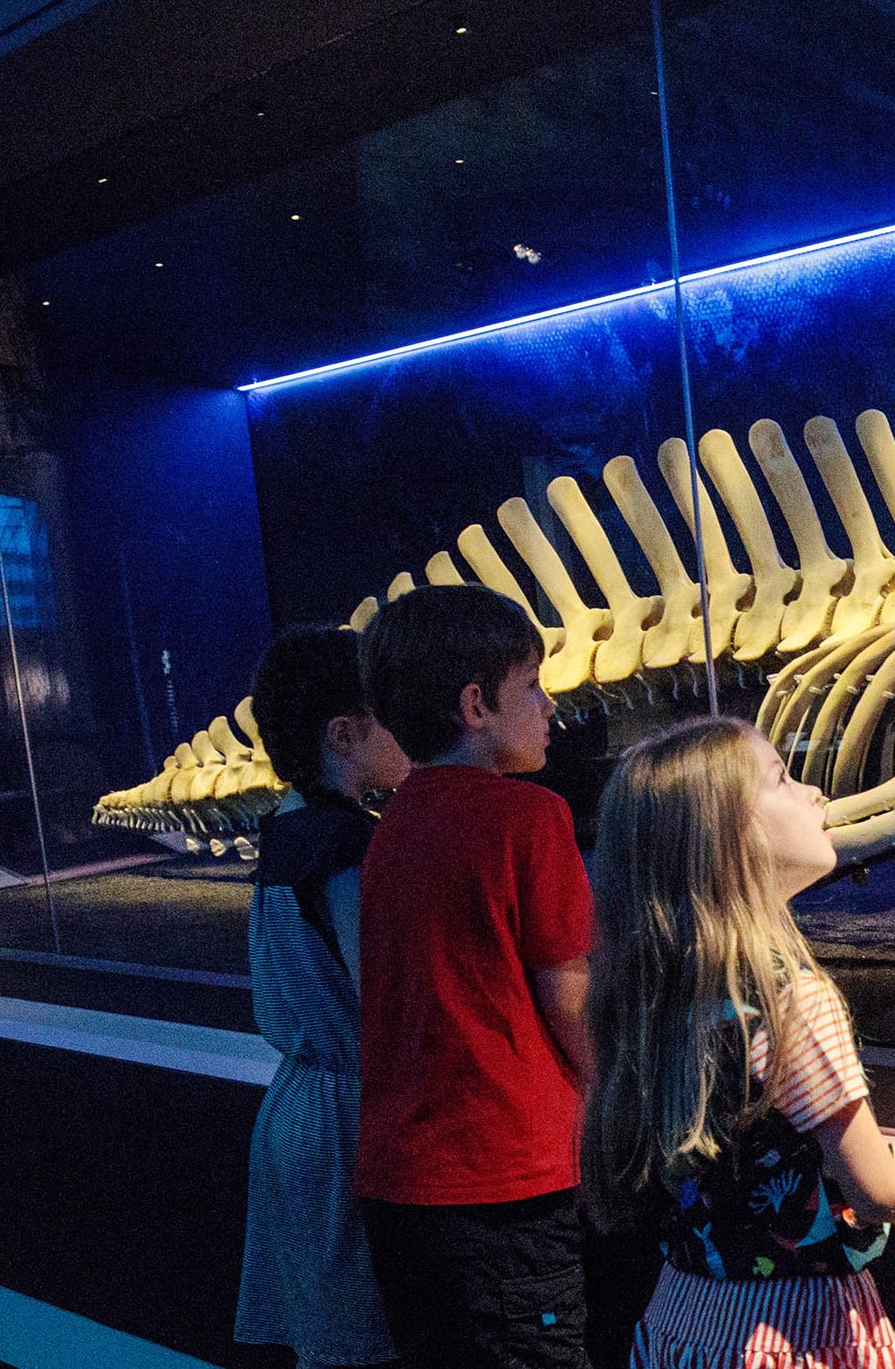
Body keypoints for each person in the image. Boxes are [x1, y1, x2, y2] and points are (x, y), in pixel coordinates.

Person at [584, 716, 895, 1368]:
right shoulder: (790, 995)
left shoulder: (663, 985)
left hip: (682, 1321)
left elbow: (740, 1173)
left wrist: (888, 1155)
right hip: (795, 1333)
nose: (815, 793)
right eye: (782, 779)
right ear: (726, 836)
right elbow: (878, 1195)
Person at [354, 585, 595, 1369]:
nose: (550, 705)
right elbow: (568, 990)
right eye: (531, 685)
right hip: (505, 1180)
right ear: (475, 704)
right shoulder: (529, 818)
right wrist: (621, 1091)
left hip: (401, 1182)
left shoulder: (392, 825)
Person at [235, 625, 412, 1368]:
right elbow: (385, 1001)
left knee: (327, 1330)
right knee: (359, 1335)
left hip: (297, 1108)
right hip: (346, 1120)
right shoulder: (346, 847)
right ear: (344, 733)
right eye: (394, 711)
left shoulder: (287, 835)